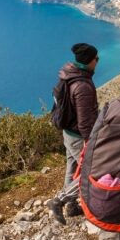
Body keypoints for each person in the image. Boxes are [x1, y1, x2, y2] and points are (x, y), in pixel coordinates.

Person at [45, 43, 100, 225]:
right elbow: (85, 121)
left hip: (68, 132)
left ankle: (71, 206)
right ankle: (59, 201)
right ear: (90, 61)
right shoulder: (82, 86)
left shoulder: (68, 74)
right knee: (91, 170)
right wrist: (89, 142)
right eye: (96, 59)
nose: (97, 62)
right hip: (78, 135)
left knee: (72, 167)